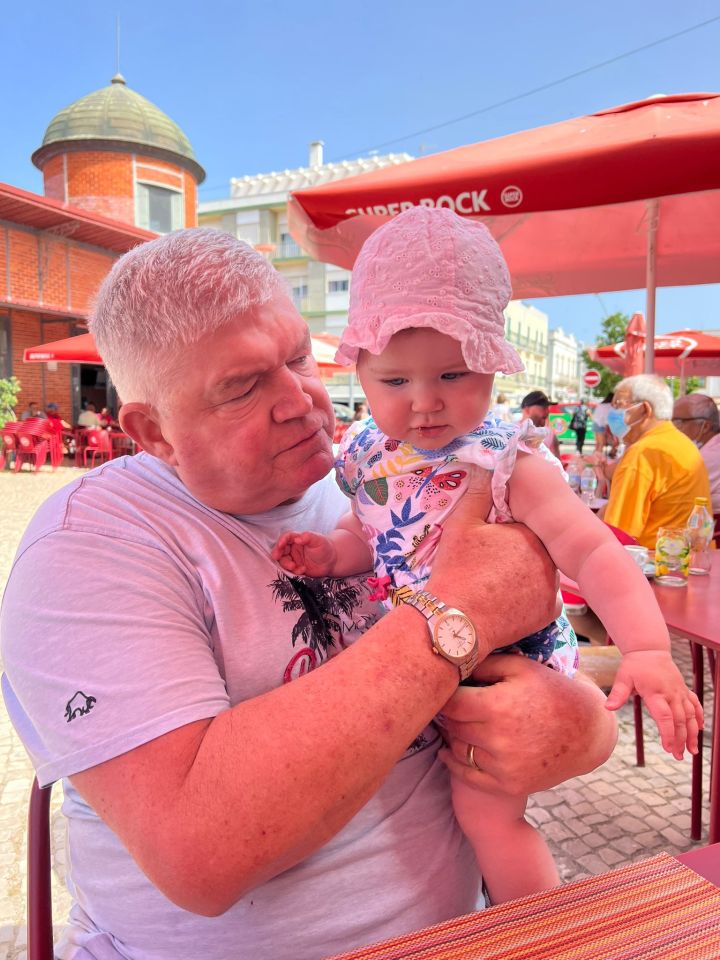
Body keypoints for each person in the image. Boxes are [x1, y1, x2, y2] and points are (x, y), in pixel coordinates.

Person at [0, 228, 618, 960]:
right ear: (152, 431)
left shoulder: (375, 481)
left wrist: (583, 728)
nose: (301, 400)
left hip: (467, 928)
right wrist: (459, 615)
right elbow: (201, 853)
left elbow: (552, 672)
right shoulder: (92, 548)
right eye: (242, 386)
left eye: (297, 357)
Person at [272, 208, 701, 906]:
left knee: (488, 816)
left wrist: (647, 650)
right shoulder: (366, 455)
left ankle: (532, 929)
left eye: (453, 373)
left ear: (494, 365)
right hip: (413, 665)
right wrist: (329, 553)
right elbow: (371, 534)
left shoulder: (509, 463)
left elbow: (594, 553)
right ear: (360, 370)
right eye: (395, 382)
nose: (426, 403)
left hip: (503, 670)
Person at [602, 375, 712, 548]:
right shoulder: (682, 442)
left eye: (618, 405)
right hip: (685, 558)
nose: (612, 413)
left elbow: (618, 534)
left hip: (653, 563)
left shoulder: (643, 453)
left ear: (645, 409)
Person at [672, 393, 720, 510]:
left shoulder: (708, 456)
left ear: (705, 426)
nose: (673, 428)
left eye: (678, 422)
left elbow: (675, 496)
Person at [520, 390, 561, 458]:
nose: (547, 412)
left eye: (548, 408)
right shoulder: (511, 431)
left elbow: (558, 463)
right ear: (527, 409)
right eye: (544, 407)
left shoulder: (550, 434)